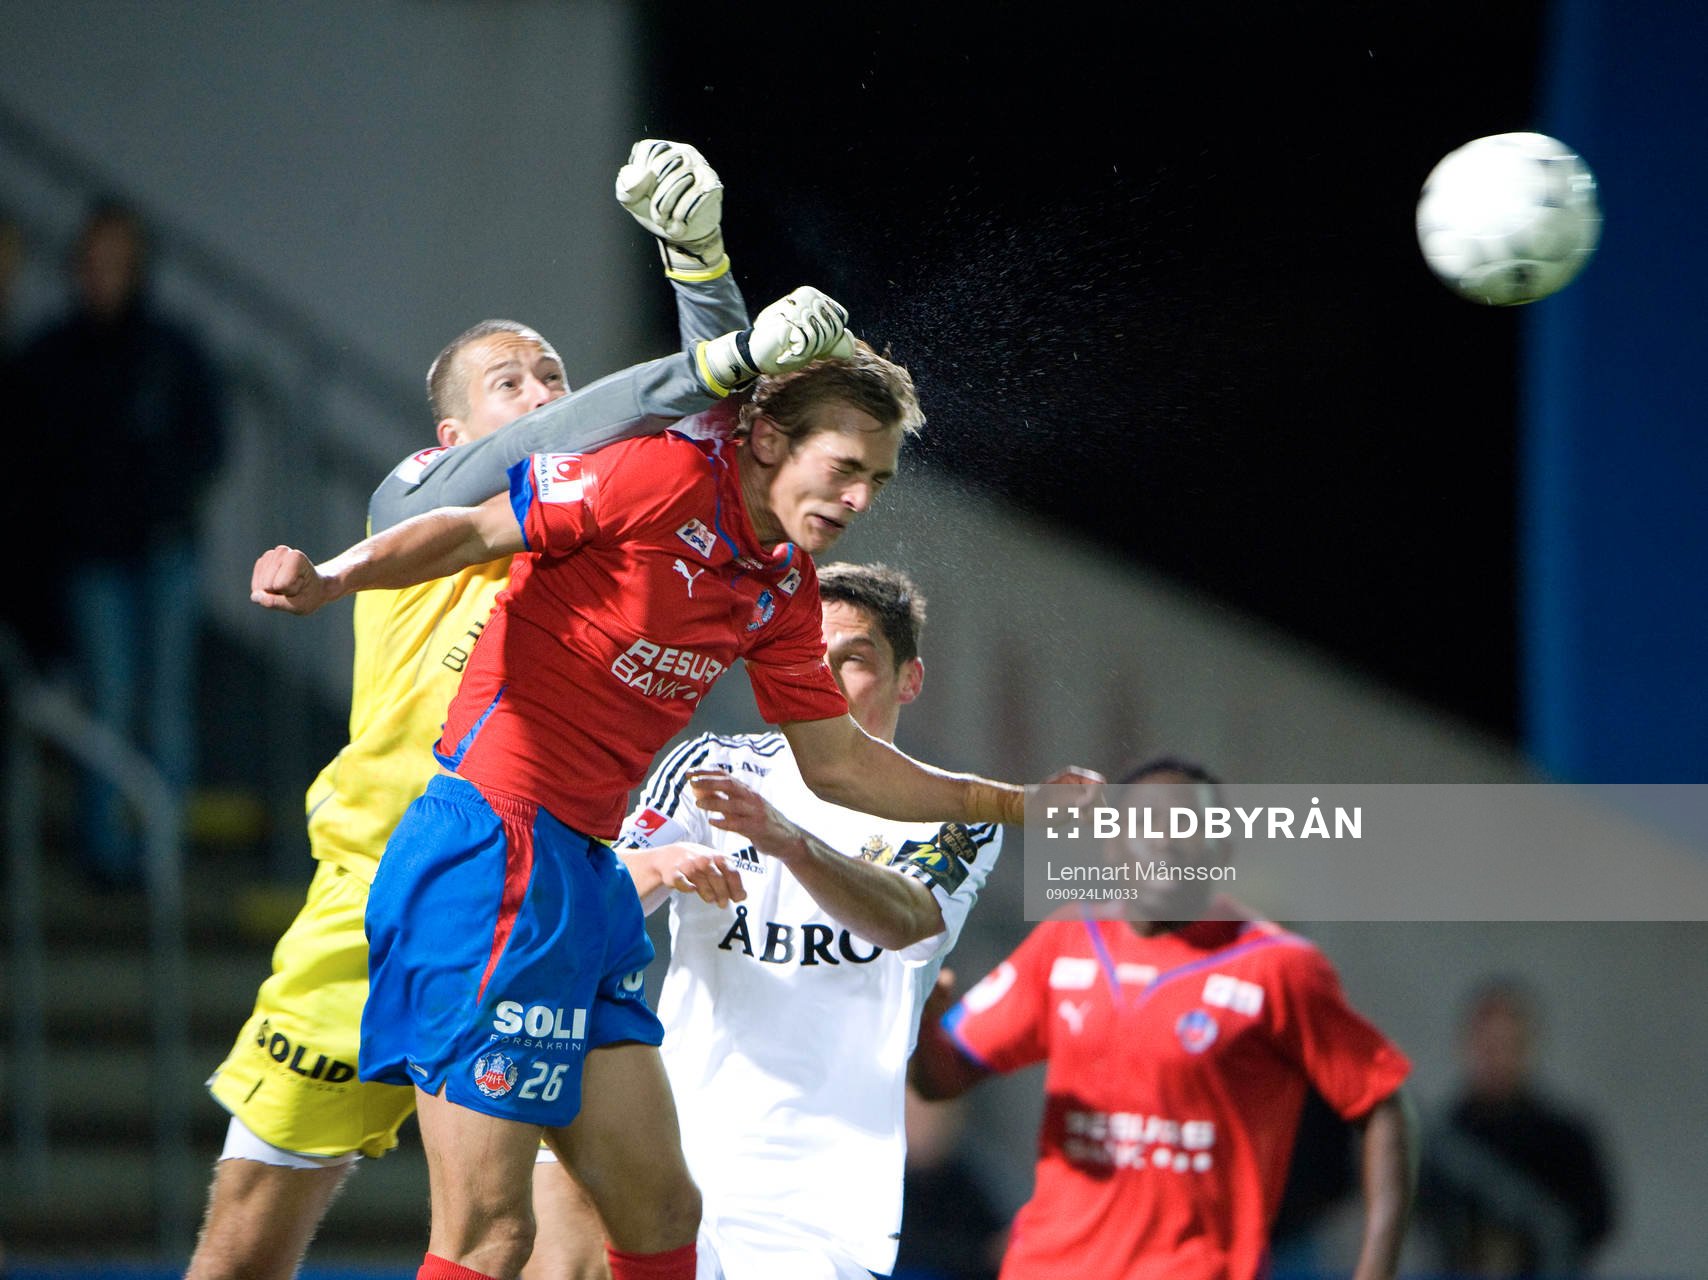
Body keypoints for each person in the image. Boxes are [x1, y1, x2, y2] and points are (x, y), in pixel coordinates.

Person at [250, 328, 1090, 1280]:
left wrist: (1021, 805)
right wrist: (334, 576)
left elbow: (843, 768)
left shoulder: (778, 587)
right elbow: (476, 526)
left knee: (659, 1211)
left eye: (880, 482)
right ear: (769, 441)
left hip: (580, 873)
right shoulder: (655, 475)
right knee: (493, 1235)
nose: (860, 499)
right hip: (490, 852)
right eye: (847, 467)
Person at [189, 140, 844, 1280]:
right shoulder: (416, 493)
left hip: (542, 882)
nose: (545, 397)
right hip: (381, 891)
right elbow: (620, 415)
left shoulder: (612, 502)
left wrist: (699, 263)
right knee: (249, 1242)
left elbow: (720, 413)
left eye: (554, 373)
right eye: (513, 383)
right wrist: (721, 342)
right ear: (449, 435)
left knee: (581, 1230)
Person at [525, 562, 1004, 1280]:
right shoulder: (711, 768)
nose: (828, 681)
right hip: (673, 1141)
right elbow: (602, 897)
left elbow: (908, 917)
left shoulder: (952, 813)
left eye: (856, 661)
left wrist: (789, 843)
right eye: (811, 659)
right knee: (560, 1243)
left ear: (910, 680)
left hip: (817, 1204)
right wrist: (667, 864)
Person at [910, 758, 1416, 1280]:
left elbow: (1384, 1103)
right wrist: (925, 1012)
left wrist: (1376, 1267)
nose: (1165, 843)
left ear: (1220, 852)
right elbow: (939, 1078)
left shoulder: (1280, 967)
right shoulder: (1068, 940)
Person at [22, 199, 225, 887]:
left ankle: (160, 854)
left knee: (165, 703)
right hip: (91, 557)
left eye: (118, 261)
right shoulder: (52, 356)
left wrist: (173, 500)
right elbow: (35, 462)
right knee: (107, 698)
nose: (105, 274)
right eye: (94, 261)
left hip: (162, 549)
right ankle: (105, 852)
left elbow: (208, 441)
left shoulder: (171, 350)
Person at [1420, 979, 1615, 1276]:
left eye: (1509, 1046)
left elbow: (1596, 1220)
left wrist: (1526, 1247)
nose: (1497, 1058)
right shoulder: (1439, 1143)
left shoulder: (1566, 1139)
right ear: (1466, 1046)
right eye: (1488, 1046)